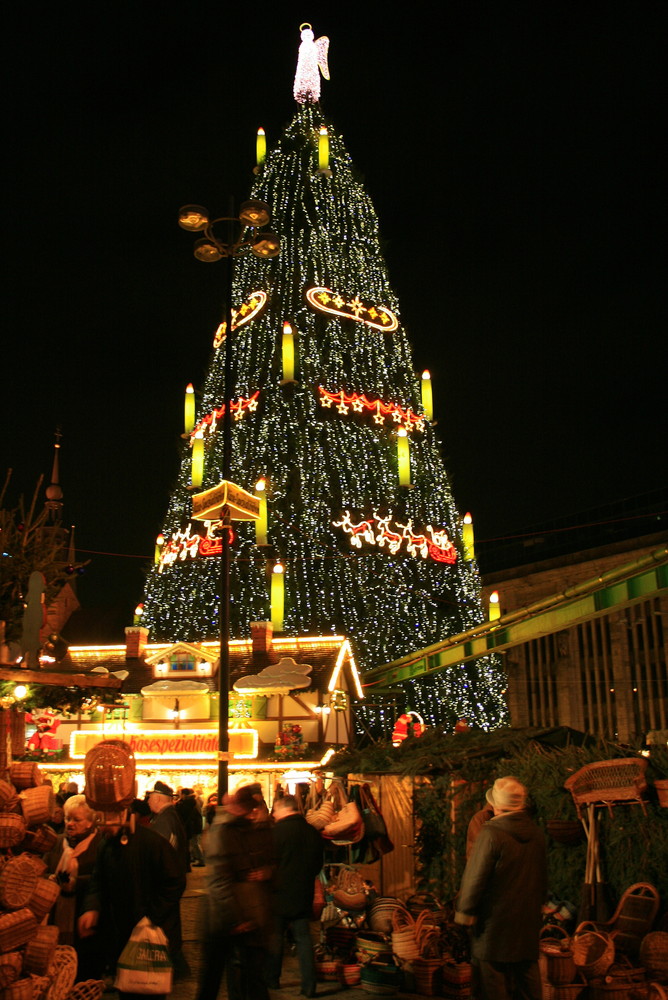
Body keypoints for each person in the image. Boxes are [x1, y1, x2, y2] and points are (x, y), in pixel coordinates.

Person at [78, 808, 186, 1000]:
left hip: (151, 934)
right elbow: (98, 881)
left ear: (121, 816)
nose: (102, 825)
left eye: (106, 818)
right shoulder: (106, 845)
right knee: (127, 988)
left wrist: (151, 917)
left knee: (149, 991)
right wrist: (92, 907)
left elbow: (174, 881)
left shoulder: (152, 842)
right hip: (122, 935)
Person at [455, 776, 547, 1000]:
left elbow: (475, 878)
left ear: (496, 804)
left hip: (493, 925)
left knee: (492, 985)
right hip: (526, 922)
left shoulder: (492, 834)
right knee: (527, 981)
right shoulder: (537, 834)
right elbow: (542, 877)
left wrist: (464, 913)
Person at [196, 784, 274, 1000]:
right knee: (215, 976)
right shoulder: (225, 831)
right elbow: (219, 880)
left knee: (246, 977)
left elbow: (271, 862)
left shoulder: (255, 829)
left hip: (246, 915)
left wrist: (267, 872)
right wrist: (236, 919)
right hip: (224, 917)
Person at [267, 794, 323, 998]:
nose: (273, 814)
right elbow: (318, 865)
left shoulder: (276, 833)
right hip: (302, 892)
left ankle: (272, 979)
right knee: (304, 940)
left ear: (283, 809)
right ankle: (309, 985)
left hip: (278, 894)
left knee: (275, 938)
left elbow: (270, 863)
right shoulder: (311, 832)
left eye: (275, 810)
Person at [43, 794, 104, 980]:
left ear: (90, 823)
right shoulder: (56, 843)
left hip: (84, 920)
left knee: (84, 970)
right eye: (67, 818)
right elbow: (42, 870)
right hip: (56, 918)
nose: (70, 824)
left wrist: (76, 882)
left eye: (76, 820)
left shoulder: (100, 845)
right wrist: (52, 879)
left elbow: (102, 880)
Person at [147, 780, 191, 875]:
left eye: (149, 798)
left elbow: (161, 853)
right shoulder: (170, 815)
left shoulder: (164, 820)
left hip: (167, 877)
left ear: (157, 799)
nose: (148, 801)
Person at [176, 787, 205, 866]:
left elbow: (183, 812)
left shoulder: (189, 802)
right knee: (193, 843)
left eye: (180, 794)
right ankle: (196, 858)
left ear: (184, 794)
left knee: (194, 843)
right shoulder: (193, 801)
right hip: (194, 825)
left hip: (193, 826)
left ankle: (200, 859)